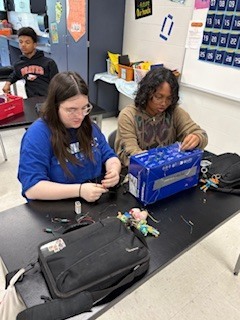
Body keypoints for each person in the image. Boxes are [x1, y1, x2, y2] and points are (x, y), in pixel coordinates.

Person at [18, 71, 121, 202]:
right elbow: (32, 188)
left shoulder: (88, 125)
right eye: (71, 110)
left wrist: (114, 170)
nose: (80, 116)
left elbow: (109, 155)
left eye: (85, 108)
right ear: (55, 107)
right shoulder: (37, 135)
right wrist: (79, 190)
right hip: (56, 207)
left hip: (92, 201)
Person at [115, 67, 208, 167]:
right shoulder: (128, 115)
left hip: (168, 169)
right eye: (158, 97)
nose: (164, 103)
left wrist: (197, 138)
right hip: (137, 172)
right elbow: (130, 152)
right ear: (146, 93)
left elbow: (201, 134)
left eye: (169, 98)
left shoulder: (175, 112)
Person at [2, 27, 58, 97]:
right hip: (31, 101)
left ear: (35, 44)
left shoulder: (49, 63)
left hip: (48, 99)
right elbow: (14, 74)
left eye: (27, 42)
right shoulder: (19, 64)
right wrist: (8, 83)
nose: (23, 45)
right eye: (21, 42)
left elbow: (57, 84)